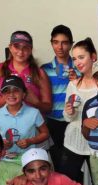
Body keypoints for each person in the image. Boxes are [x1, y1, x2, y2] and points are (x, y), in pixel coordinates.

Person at [61, 38, 98, 184]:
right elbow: (68, 118)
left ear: (93, 57)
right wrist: (69, 112)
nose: (77, 62)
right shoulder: (73, 84)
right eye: (74, 59)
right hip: (73, 141)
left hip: (96, 143)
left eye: (81, 57)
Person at [0, 31, 52, 114]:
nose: (21, 51)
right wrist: (11, 95)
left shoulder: (39, 73)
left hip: (31, 124)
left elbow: (48, 108)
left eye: (25, 47)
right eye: (16, 46)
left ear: (30, 50)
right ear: (10, 47)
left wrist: (36, 102)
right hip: (4, 123)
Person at [0, 75, 49, 163]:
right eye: (7, 91)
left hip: (28, 159)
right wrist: (1, 143)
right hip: (4, 159)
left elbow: (45, 133)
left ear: (24, 94)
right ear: (2, 95)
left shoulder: (34, 112)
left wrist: (30, 141)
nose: (11, 94)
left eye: (16, 90)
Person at [41, 25, 75, 171]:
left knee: (75, 166)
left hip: (74, 122)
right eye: (56, 42)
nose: (60, 47)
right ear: (51, 43)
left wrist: (77, 80)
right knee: (59, 165)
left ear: (71, 44)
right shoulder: (44, 69)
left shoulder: (80, 68)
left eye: (64, 42)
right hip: (53, 123)